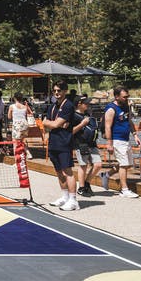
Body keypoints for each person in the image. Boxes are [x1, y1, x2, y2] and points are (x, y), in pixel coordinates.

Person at [42, 80, 79, 211]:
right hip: (53, 142)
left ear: (65, 91)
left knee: (67, 171)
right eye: (55, 91)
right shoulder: (52, 106)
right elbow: (45, 123)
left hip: (64, 142)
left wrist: (49, 123)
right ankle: (64, 196)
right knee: (58, 171)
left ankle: (73, 200)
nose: (56, 93)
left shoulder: (68, 105)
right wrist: (48, 125)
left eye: (59, 90)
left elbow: (55, 124)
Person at [104, 86, 140, 199]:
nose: (126, 98)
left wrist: (135, 135)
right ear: (116, 96)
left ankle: (106, 175)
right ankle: (124, 189)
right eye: (124, 97)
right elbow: (107, 127)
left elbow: (129, 121)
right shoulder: (111, 109)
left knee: (127, 164)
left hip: (126, 139)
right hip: (117, 139)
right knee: (123, 165)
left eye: (127, 96)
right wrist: (109, 143)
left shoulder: (126, 106)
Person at [72, 96, 101, 198]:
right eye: (86, 103)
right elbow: (71, 131)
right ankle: (81, 187)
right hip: (81, 144)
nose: (88, 105)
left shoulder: (88, 114)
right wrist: (82, 124)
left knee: (98, 165)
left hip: (92, 143)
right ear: (79, 104)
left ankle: (87, 183)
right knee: (83, 165)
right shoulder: (73, 116)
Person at [8, 92, 34, 160]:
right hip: (24, 124)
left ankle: (17, 159)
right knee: (21, 141)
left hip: (17, 124)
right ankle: (28, 153)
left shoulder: (12, 106)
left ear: (14, 98)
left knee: (15, 142)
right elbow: (31, 113)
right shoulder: (25, 107)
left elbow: (9, 117)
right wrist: (27, 105)